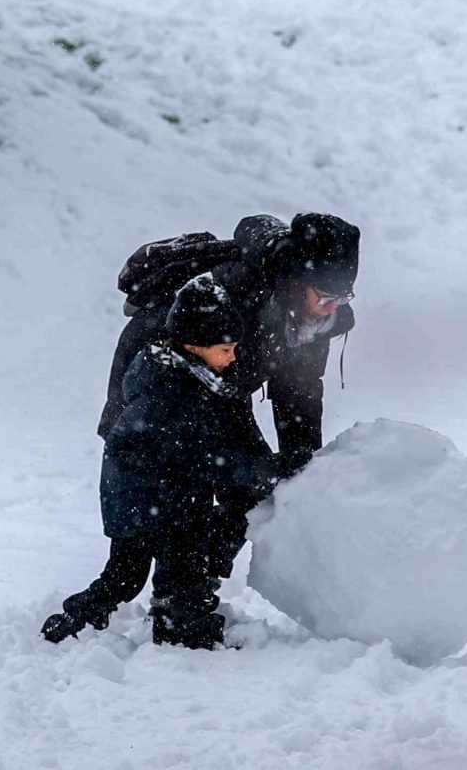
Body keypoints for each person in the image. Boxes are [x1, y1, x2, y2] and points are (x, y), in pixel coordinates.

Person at [44, 212, 361, 645]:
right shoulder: (232, 296)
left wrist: (302, 465)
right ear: (296, 281)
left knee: (246, 490)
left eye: (342, 298)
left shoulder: (315, 318)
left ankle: (190, 592)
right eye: (325, 296)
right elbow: (190, 444)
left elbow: (301, 392)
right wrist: (262, 469)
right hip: (160, 395)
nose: (333, 308)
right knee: (182, 507)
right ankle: (179, 606)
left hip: (216, 391)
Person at [49, 290, 283, 649]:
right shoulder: (170, 390)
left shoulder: (203, 377)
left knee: (158, 570)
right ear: (193, 346)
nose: (232, 357)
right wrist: (269, 469)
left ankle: (178, 610)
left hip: (173, 492)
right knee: (129, 575)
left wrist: (265, 469)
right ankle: (144, 623)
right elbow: (208, 459)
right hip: (143, 497)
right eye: (225, 350)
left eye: (235, 347)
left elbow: (225, 446)